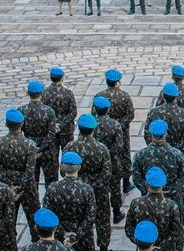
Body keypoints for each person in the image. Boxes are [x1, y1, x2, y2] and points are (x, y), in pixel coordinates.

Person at [63, 114, 112, 251]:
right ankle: (103, 247)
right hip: (98, 191)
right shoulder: (101, 148)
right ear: (93, 129)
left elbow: (64, 171)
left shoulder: (69, 146)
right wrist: (93, 187)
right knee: (102, 220)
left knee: (78, 220)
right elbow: (107, 173)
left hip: (75, 192)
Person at [0, 109, 40, 243]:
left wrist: (11, 185)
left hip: (6, 187)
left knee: (8, 218)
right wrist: (21, 186)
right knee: (34, 218)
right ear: (22, 124)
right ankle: (36, 243)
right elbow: (30, 171)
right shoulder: (30, 144)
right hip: (28, 188)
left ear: (7, 124)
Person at [143, 83, 184, 197]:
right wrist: (176, 150)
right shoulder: (183, 114)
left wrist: (154, 147)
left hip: (156, 153)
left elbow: (147, 133)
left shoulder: (154, 112)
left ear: (163, 96)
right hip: (178, 152)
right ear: (177, 97)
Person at [43, 152, 96, 251]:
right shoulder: (87, 189)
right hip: (84, 239)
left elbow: (47, 214)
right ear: (79, 168)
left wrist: (63, 233)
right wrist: (78, 234)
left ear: (62, 168)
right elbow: (91, 216)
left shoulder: (52, 188)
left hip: (60, 239)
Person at [93, 68, 135, 194]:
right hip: (121, 131)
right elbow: (130, 114)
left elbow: (93, 115)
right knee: (124, 154)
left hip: (102, 132)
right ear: (118, 82)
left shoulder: (99, 96)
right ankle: (126, 183)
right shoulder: (124, 96)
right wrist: (119, 125)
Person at [125, 167, 184, 248]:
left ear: (146, 184)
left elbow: (129, 229)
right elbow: (177, 233)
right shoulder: (172, 206)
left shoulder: (136, 203)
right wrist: (160, 247)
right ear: (163, 184)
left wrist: (142, 244)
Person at [92, 96, 126, 223]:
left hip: (95, 163)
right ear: (108, 109)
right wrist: (107, 153)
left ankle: (99, 213)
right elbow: (119, 146)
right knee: (115, 188)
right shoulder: (115, 125)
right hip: (112, 162)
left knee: (99, 189)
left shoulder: (91, 124)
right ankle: (116, 213)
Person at [18, 80, 58, 188]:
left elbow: (19, 133)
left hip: (29, 149)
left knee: (31, 181)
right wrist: (41, 148)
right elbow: (51, 134)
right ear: (42, 94)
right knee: (51, 181)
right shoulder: (49, 111)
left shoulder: (21, 110)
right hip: (47, 150)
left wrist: (34, 149)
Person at [42, 66, 77, 153]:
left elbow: (43, 113)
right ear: (62, 78)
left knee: (53, 158)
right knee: (68, 155)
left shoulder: (44, 93)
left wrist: (54, 125)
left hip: (51, 130)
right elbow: (73, 112)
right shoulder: (68, 93)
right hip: (66, 130)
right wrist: (61, 125)